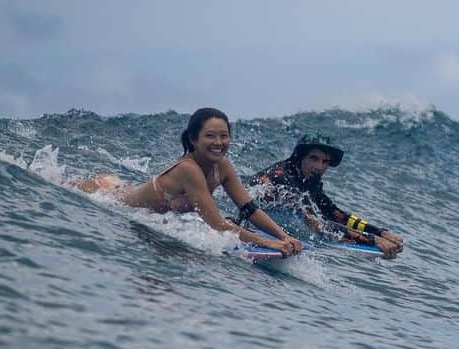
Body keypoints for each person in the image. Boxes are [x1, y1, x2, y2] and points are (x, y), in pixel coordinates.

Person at [75, 108, 302, 257]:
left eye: (224, 136)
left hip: (130, 194)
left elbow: (249, 208)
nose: (218, 142)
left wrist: (282, 236)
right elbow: (217, 224)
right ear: (194, 140)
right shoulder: (188, 170)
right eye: (210, 136)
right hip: (114, 198)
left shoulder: (222, 166)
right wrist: (268, 243)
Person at [246, 133, 404, 259]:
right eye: (313, 158)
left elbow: (334, 213)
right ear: (300, 157)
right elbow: (320, 226)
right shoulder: (284, 181)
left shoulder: (308, 178)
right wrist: (372, 240)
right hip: (247, 221)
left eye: (325, 161)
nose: (319, 167)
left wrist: (380, 232)